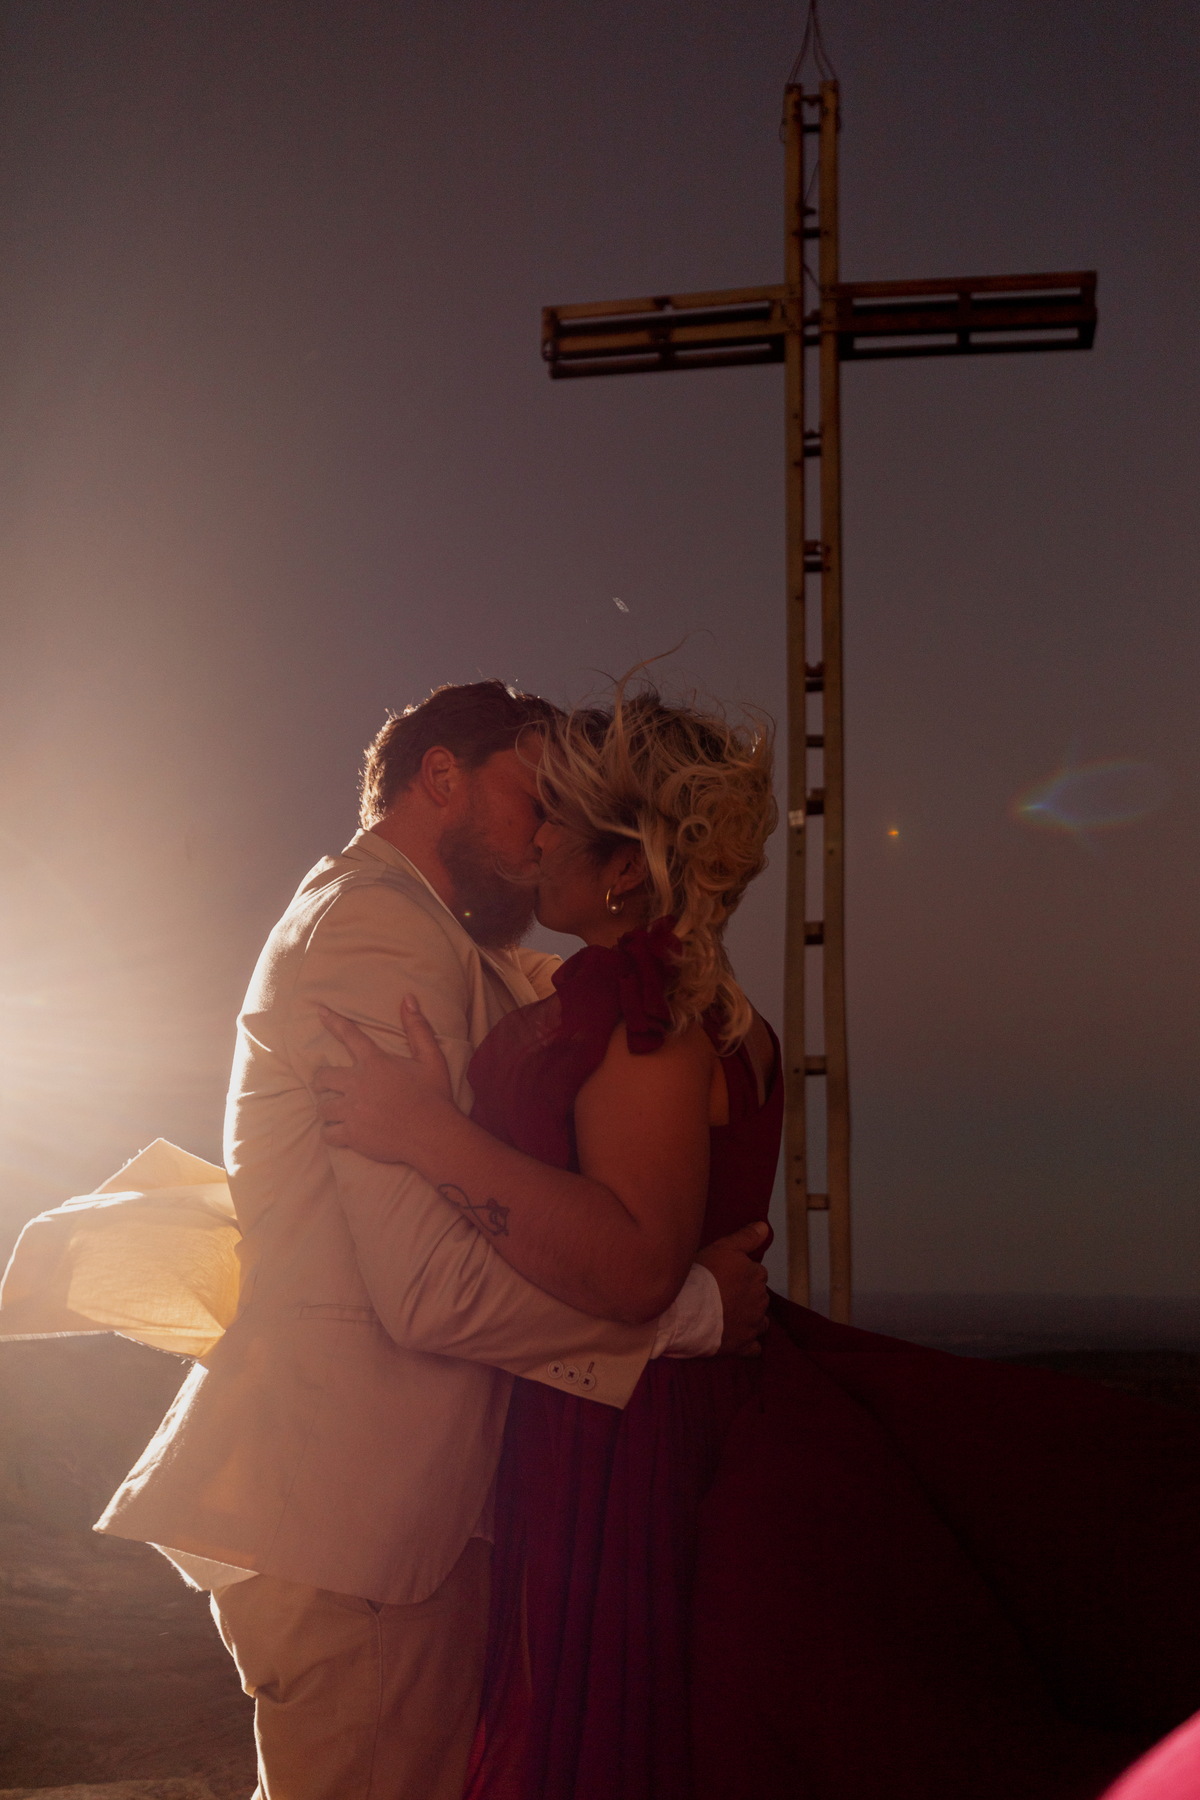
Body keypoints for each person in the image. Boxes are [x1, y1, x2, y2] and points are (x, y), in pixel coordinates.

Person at [316, 683, 1200, 1800]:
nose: (531, 836)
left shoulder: (646, 1021)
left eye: (555, 819)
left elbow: (638, 1264)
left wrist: (429, 1135)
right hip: (630, 1421)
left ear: (625, 871)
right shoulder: (657, 1002)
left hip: (626, 1452)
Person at [94, 680, 771, 1800]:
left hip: (409, 1527)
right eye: (532, 792)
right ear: (440, 778)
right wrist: (686, 1316)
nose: (544, 823)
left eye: (570, 805)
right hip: (365, 1528)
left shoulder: (445, 938)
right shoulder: (374, 924)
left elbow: (580, 1008)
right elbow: (426, 1292)